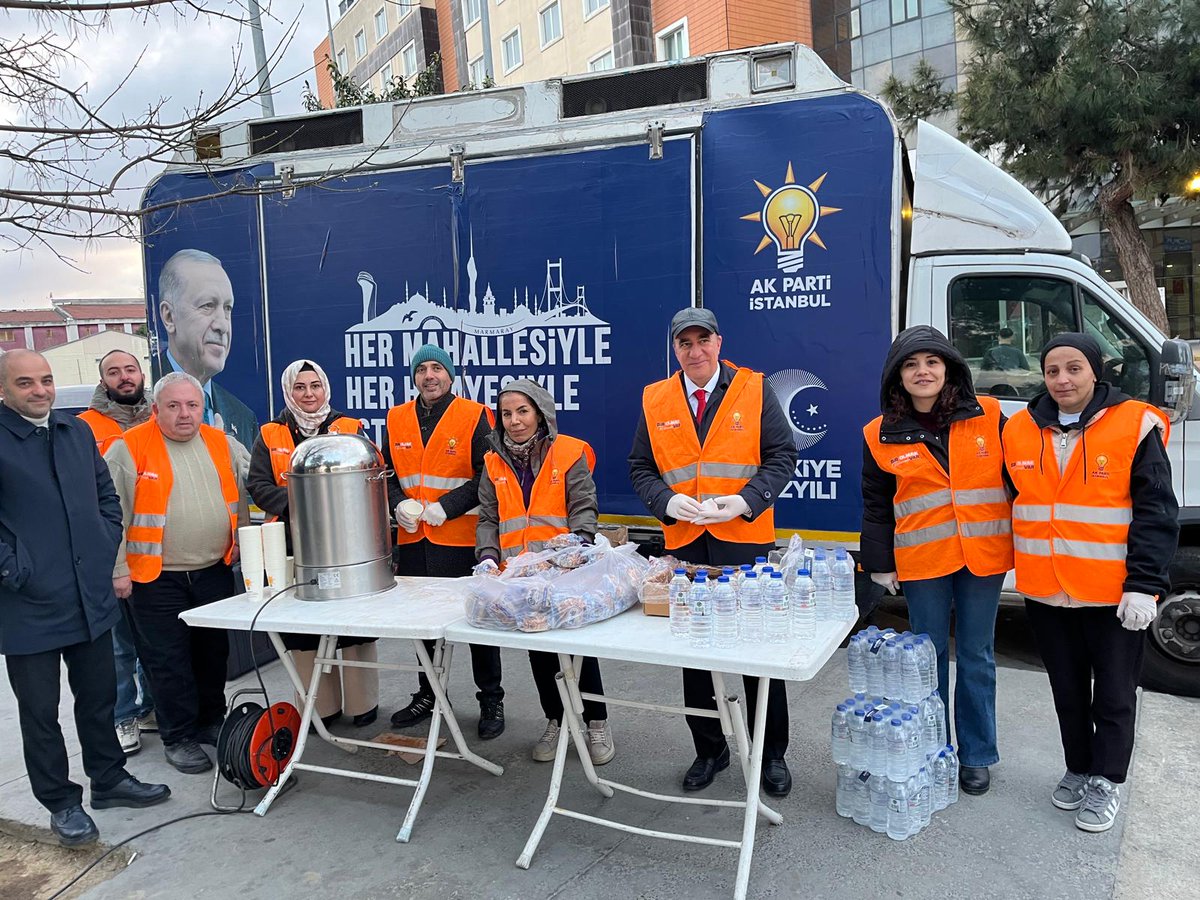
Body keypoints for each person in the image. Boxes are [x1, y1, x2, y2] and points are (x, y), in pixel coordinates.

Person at [1002, 333, 1177, 833]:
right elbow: (1019, 501)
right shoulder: (1018, 430)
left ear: (1095, 371)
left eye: (1073, 368)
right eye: (1052, 370)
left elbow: (1157, 510)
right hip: (1045, 589)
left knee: (1116, 694)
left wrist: (1145, 585)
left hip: (1112, 592)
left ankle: (1108, 780)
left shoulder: (1134, 423)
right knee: (1067, 690)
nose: (1062, 379)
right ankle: (1079, 767)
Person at [0, 349, 170, 848]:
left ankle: (110, 780)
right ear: (5, 390)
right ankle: (61, 802)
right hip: (28, 603)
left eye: (47, 380)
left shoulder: (74, 434)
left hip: (88, 595)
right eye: (26, 383)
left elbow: (107, 499)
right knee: (40, 712)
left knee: (98, 698)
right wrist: (15, 569)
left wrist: (100, 548)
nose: (40, 391)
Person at [628, 308, 797, 797]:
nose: (695, 351)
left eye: (703, 340)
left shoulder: (752, 388)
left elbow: (782, 457)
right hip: (686, 545)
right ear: (675, 349)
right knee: (694, 655)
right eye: (685, 343)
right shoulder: (657, 399)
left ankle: (771, 754)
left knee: (756, 651)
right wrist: (666, 501)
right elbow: (640, 466)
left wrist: (744, 501)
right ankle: (710, 750)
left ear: (719, 343)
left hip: (744, 542)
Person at [860, 325, 1013, 797]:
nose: (922, 371)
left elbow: (1046, 429)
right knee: (928, 661)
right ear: (896, 377)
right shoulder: (877, 433)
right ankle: (933, 747)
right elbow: (876, 503)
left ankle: (977, 754)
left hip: (982, 558)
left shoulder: (990, 415)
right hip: (923, 560)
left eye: (932, 361)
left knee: (976, 656)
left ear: (949, 368)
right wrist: (879, 564)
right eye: (910, 364)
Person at [105, 372, 250, 775]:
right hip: (155, 576)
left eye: (192, 405)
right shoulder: (128, 448)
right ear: (155, 409)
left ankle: (210, 721)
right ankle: (179, 736)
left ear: (202, 408)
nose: (184, 414)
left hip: (213, 570)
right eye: (173, 406)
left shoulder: (223, 443)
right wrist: (117, 570)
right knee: (167, 661)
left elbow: (257, 481)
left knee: (212, 654)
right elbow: (109, 515)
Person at [476, 378, 615, 765]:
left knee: (576, 652)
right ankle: (556, 720)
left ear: (540, 412)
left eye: (522, 411)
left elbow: (584, 505)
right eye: (506, 414)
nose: (515, 421)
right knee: (539, 655)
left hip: (563, 572)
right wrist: (488, 556)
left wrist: (576, 543)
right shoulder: (492, 460)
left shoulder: (569, 453)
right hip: (519, 579)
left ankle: (597, 722)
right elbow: (489, 517)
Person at [247, 359, 379, 729]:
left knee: (353, 623)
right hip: (294, 543)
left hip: (349, 540)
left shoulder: (350, 429)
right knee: (302, 626)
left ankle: (362, 703)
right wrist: (300, 503)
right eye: (300, 387)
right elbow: (257, 485)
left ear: (325, 388)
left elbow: (370, 479)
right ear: (290, 391)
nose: (308, 394)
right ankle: (321, 709)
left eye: (315, 386)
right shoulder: (270, 433)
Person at [387, 345, 506, 740]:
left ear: (450, 376)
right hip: (414, 540)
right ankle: (429, 694)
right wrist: (398, 503)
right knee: (421, 626)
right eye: (421, 369)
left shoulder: (474, 416)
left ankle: (491, 699)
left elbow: (487, 474)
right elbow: (386, 474)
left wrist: (447, 507)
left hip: (458, 539)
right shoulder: (396, 418)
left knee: (476, 625)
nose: (429, 376)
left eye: (437, 368)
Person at [79, 349, 157, 756]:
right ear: (103, 380)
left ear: (141, 373)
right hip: (112, 549)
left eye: (130, 369)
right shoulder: (84, 427)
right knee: (119, 645)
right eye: (114, 372)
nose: (124, 378)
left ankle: (149, 709)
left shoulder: (159, 417)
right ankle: (122, 715)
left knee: (153, 641)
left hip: (156, 551)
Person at [155, 248, 258, 450]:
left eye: (227, 308)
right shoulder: (137, 407)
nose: (223, 325)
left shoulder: (243, 417)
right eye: (207, 305)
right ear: (169, 317)